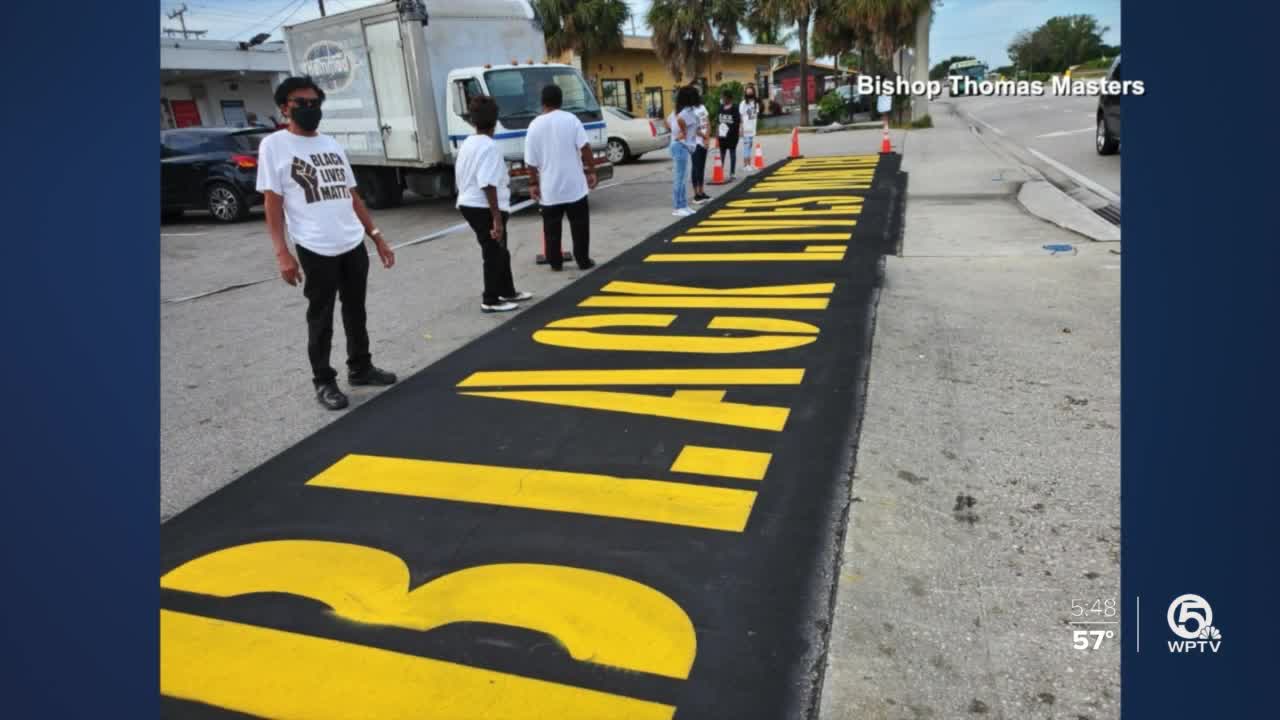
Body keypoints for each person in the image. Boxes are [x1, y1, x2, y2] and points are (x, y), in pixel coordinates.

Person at [257, 76, 398, 411]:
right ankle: (324, 381)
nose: (309, 108)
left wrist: (376, 236)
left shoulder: (331, 145)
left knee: (356, 310)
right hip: (314, 246)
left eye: (314, 103)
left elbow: (351, 194)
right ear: (284, 108)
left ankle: (360, 367)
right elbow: (272, 203)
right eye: (300, 103)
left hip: (351, 242)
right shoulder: (274, 146)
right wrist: (282, 253)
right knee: (320, 318)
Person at [455, 95, 534, 313]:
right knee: (492, 252)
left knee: (501, 251)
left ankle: (507, 291)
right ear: (495, 121)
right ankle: (490, 299)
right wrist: (496, 218)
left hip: (470, 203)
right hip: (483, 207)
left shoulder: (469, 143)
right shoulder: (488, 147)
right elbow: (487, 183)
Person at [524, 83, 598, 271]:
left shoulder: (534, 125)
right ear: (561, 100)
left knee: (551, 229)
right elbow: (585, 148)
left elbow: (530, 162)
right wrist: (591, 170)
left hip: (550, 189)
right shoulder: (571, 119)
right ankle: (583, 260)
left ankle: (555, 263)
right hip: (575, 187)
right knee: (580, 227)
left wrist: (533, 183)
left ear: (542, 102)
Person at [667, 86, 700, 217]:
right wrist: (683, 132)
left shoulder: (683, 109)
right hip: (680, 145)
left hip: (682, 145)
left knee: (683, 177)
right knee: (680, 178)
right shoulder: (685, 111)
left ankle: (683, 205)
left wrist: (678, 132)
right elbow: (679, 120)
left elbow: (668, 121)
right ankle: (677, 206)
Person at [690, 89, 711, 204]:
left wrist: (707, 137)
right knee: (696, 168)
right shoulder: (690, 110)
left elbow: (707, 123)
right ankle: (696, 194)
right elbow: (693, 128)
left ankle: (702, 192)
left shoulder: (702, 107)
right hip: (695, 142)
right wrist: (704, 137)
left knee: (702, 167)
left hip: (704, 141)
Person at [716, 89, 741, 181]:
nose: (722, 99)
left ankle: (732, 172)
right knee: (722, 154)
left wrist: (730, 131)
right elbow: (718, 121)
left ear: (729, 98)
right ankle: (719, 171)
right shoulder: (720, 108)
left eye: (723, 97)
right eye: (722, 97)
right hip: (722, 136)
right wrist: (717, 133)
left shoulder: (734, 108)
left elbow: (737, 122)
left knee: (732, 153)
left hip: (732, 136)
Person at [739, 83, 760, 174]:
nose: (749, 92)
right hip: (746, 127)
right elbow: (740, 116)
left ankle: (749, 164)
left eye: (751, 90)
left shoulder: (756, 103)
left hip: (752, 128)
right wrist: (741, 128)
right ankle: (746, 165)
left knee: (750, 146)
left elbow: (756, 115)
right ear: (745, 93)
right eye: (747, 91)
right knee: (746, 146)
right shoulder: (743, 103)